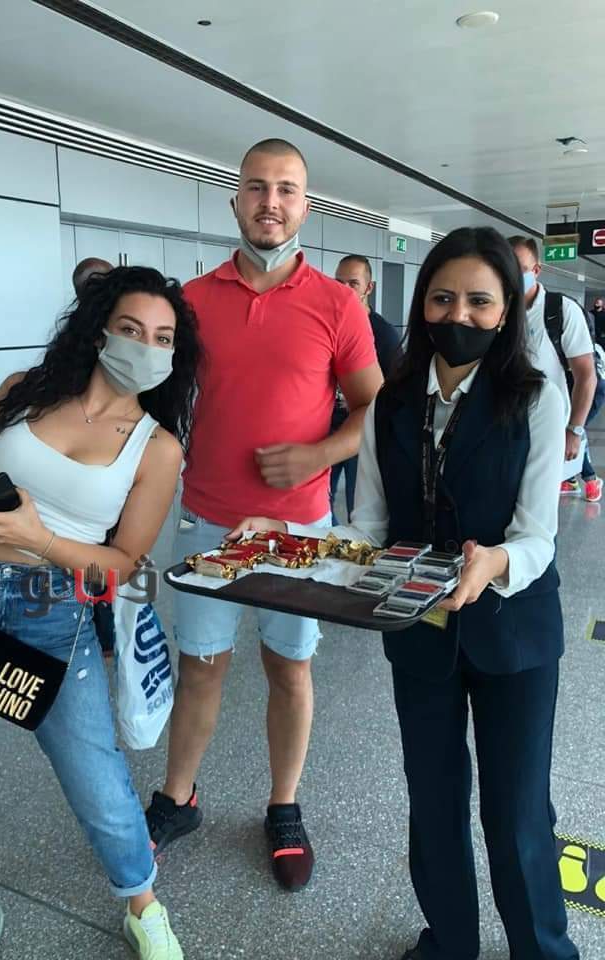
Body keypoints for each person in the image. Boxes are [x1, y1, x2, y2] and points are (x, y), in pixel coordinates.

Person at [230, 227, 579, 960]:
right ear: (421, 305)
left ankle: (544, 950)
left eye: (480, 301)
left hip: (513, 632)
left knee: (517, 812)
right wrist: (284, 537)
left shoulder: (535, 398)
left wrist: (494, 563)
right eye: (443, 298)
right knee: (433, 798)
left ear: (508, 310)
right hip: (416, 628)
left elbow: (538, 537)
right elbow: (369, 530)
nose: (460, 315)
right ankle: (449, 942)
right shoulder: (391, 403)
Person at [0, 267, 200, 960]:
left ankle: (142, 903)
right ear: (99, 333)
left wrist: (39, 540)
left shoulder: (156, 447)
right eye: (132, 330)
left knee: (98, 780)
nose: (147, 348)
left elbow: (121, 563)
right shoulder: (23, 391)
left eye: (163, 339)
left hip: (52, 610)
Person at [145, 138, 383, 891]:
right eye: (256, 187)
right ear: (235, 199)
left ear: (306, 205)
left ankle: (283, 805)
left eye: (285, 189)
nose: (270, 202)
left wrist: (318, 455)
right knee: (201, 667)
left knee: (290, 668)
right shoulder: (191, 301)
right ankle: (178, 798)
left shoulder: (338, 304)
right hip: (207, 521)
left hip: (298, 529)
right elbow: (152, 396)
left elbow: (374, 410)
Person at [508, 237, 598, 498]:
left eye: (520, 269)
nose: (511, 276)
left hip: (547, 431)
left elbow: (586, 376)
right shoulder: (494, 308)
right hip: (500, 427)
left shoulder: (561, 310)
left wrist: (574, 430)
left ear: (536, 270)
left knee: (538, 507)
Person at [330, 254, 402, 521]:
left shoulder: (384, 334)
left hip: (362, 432)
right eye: (339, 283)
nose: (344, 290)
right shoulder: (329, 325)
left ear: (369, 288)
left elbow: (397, 389)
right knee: (319, 501)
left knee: (357, 505)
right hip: (326, 429)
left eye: (353, 283)